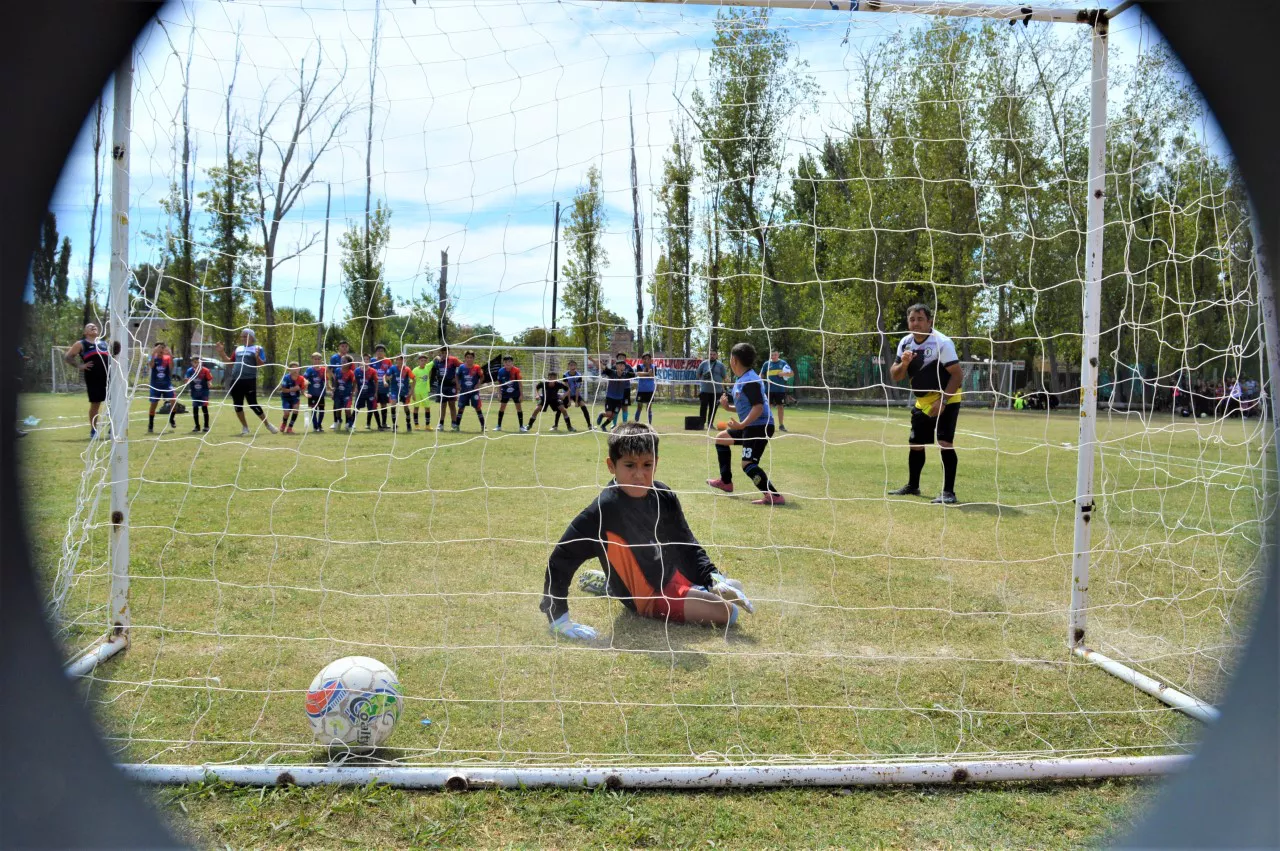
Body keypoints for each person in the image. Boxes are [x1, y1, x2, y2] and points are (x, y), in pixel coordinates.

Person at [540, 422, 755, 639]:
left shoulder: (663, 495)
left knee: (733, 587)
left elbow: (686, 545)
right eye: (630, 465)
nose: (639, 474)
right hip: (648, 596)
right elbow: (560, 560)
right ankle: (616, 587)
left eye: (647, 465)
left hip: (673, 574)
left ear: (656, 463)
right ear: (611, 465)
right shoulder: (603, 511)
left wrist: (713, 579)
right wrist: (559, 619)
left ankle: (612, 585)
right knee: (728, 612)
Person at [887, 303, 962, 505]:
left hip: (947, 398)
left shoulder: (942, 343)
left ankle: (948, 493)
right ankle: (913, 485)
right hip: (922, 402)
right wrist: (904, 363)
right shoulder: (905, 343)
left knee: (945, 443)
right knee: (916, 444)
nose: (916, 323)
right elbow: (895, 375)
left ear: (930, 321)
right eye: (912, 319)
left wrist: (943, 401)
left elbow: (957, 375)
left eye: (920, 319)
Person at [706, 342, 784, 506]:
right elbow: (748, 407)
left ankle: (773, 495)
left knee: (748, 464)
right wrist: (728, 407)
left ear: (734, 360)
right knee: (721, 438)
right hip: (751, 424)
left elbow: (758, 407)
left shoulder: (750, 380)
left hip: (759, 426)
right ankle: (726, 482)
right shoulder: (742, 379)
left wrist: (741, 425)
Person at [216, 329, 279, 436]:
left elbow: (261, 365)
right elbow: (230, 364)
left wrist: (257, 357)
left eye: (245, 336)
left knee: (253, 404)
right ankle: (245, 427)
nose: (243, 338)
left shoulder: (258, 348)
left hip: (249, 380)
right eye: (242, 336)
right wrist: (221, 352)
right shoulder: (238, 349)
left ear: (252, 337)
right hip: (236, 380)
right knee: (238, 405)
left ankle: (268, 425)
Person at [64, 322, 111, 439]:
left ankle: (112, 429)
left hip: (109, 377)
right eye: (90, 326)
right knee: (96, 404)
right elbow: (68, 357)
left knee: (113, 403)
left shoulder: (104, 344)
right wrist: (80, 366)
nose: (93, 327)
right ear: (85, 332)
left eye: (95, 326)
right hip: (93, 378)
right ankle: (94, 430)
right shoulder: (81, 343)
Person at [589, 353, 630, 430]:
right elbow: (601, 366)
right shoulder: (611, 372)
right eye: (620, 365)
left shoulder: (627, 374)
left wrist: (648, 374)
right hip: (610, 397)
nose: (622, 366)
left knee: (613, 415)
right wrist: (592, 360)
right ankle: (602, 414)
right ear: (616, 366)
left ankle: (603, 426)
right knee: (609, 414)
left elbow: (638, 374)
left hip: (619, 399)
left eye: (623, 365)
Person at [146, 342, 177, 434]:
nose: (160, 350)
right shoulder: (152, 357)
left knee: (174, 400)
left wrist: (170, 355)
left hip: (166, 384)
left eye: (162, 348)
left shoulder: (167, 358)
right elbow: (151, 365)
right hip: (155, 385)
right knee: (153, 405)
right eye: (158, 348)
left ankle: (171, 419)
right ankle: (151, 424)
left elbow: (171, 367)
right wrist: (153, 354)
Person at [452, 350, 487, 432]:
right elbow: (456, 376)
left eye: (471, 357)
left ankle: (483, 426)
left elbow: (482, 377)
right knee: (461, 408)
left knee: (478, 408)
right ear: (465, 358)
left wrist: (478, 385)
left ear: (473, 358)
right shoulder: (461, 367)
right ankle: (457, 426)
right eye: (467, 357)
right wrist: (457, 384)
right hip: (464, 391)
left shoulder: (477, 367)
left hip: (474, 392)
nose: (469, 359)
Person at [761, 350, 794, 433]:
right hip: (768, 389)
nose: (773, 356)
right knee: (768, 407)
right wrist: (760, 381)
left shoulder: (783, 363)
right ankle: (767, 425)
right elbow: (761, 375)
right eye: (772, 355)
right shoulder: (766, 364)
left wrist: (783, 374)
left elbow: (791, 374)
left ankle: (781, 425)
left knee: (780, 407)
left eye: (775, 355)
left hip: (780, 389)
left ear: (778, 355)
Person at [494, 355, 526, 432]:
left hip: (515, 392)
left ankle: (521, 426)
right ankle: (498, 426)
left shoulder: (516, 370)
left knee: (519, 408)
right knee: (502, 407)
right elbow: (499, 383)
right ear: (503, 363)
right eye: (505, 362)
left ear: (512, 363)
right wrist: (499, 393)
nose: (507, 363)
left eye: (509, 361)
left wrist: (521, 394)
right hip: (505, 392)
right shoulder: (501, 371)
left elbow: (520, 383)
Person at [696, 350, 727, 429]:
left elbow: (724, 377)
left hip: (716, 391)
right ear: (708, 355)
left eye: (714, 354)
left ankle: (710, 424)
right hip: (704, 390)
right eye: (710, 354)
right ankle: (701, 424)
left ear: (716, 355)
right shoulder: (703, 364)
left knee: (713, 408)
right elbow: (698, 374)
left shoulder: (721, 365)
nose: (712, 356)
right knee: (703, 408)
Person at [432, 347, 461, 432]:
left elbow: (463, 366)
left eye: (446, 352)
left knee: (452, 404)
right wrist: (436, 357)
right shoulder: (437, 361)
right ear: (440, 353)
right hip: (441, 385)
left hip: (451, 386)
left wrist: (456, 379)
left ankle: (454, 423)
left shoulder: (453, 360)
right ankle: (441, 424)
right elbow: (432, 366)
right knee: (442, 405)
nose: (444, 354)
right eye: (443, 352)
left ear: (449, 352)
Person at [559, 359, 593, 431]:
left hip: (575, 394)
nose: (573, 367)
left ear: (576, 367)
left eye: (574, 365)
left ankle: (590, 425)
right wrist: (569, 401)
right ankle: (555, 425)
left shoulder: (579, 375)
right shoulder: (565, 375)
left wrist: (576, 401)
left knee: (583, 406)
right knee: (560, 407)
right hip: (567, 393)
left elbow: (577, 389)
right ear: (568, 366)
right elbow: (567, 389)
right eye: (571, 365)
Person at [183, 358, 213, 432]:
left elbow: (209, 379)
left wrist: (209, 383)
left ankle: (206, 426)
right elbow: (186, 379)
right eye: (194, 362)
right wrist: (187, 380)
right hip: (195, 392)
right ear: (192, 363)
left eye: (197, 362)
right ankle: (197, 426)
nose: (196, 364)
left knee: (204, 408)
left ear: (201, 363)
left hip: (204, 392)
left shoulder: (205, 370)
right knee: (195, 408)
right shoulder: (190, 371)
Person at [353, 354, 381, 430]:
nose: (365, 361)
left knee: (373, 408)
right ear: (361, 361)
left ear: (369, 361)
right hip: (360, 393)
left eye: (367, 359)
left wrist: (375, 393)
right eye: (364, 359)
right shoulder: (357, 370)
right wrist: (355, 390)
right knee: (356, 408)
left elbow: (376, 382)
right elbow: (354, 382)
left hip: (370, 393)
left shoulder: (372, 371)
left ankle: (378, 425)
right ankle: (351, 424)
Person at [302, 352, 328, 433]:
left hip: (321, 394)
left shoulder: (323, 369)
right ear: (312, 360)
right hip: (312, 394)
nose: (317, 360)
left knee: (322, 410)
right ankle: (315, 426)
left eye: (318, 359)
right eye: (315, 359)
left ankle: (319, 425)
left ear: (321, 360)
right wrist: (306, 383)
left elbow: (326, 380)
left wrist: (329, 388)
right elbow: (303, 379)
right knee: (313, 410)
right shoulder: (309, 369)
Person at [370, 344, 394, 429]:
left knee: (384, 404)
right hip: (373, 387)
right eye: (378, 351)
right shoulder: (372, 360)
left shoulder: (388, 361)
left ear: (384, 352)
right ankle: (374, 424)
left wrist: (387, 378)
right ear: (375, 352)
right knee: (373, 405)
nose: (380, 352)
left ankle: (384, 423)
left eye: (382, 351)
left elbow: (391, 372)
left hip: (384, 387)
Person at [332, 355, 356, 432]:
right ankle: (339, 420)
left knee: (347, 410)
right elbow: (335, 381)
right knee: (338, 410)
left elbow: (354, 383)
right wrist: (333, 391)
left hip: (347, 394)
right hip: (338, 394)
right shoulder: (337, 370)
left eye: (344, 361)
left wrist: (352, 392)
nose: (342, 362)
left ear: (349, 363)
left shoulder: (351, 373)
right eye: (341, 361)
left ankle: (350, 424)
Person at [278, 361, 304, 433]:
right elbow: (283, 390)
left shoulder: (301, 378)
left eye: (297, 368)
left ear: (299, 369)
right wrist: (293, 389)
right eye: (293, 369)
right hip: (286, 398)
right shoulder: (286, 378)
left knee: (296, 410)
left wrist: (305, 391)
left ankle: (290, 427)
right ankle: (284, 423)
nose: (295, 370)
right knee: (286, 413)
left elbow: (302, 389)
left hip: (295, 398)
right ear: (289, 370)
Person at [410, 353, 433, 430]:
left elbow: (434, 361)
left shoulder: (427, 367)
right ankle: (416, 425)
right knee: (416, 408)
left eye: (424, 360)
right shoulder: (415, 370)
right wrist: (412, 393)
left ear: (426, 361)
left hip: (425, 392)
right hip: (417, 392)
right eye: (421, 360)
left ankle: (427, 425)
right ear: (418, 361)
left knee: (427, 407)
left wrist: (437, 357)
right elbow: (412, 382)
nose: (423, 362)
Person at [391, 354, 415, 432]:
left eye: (401, 359)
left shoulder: (407, 369)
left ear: (403, 360)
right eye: (397, 359)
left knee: (406, 408)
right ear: (396, 360)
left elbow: (414, 379)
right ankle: (394, 425)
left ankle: (408, 424)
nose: (399, 361)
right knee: (393, 406)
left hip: (404, 392)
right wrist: (385, 380)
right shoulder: (393, 368)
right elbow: (386, 376)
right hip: (395, 391)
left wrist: (411, 391)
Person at [633, 352, 657, 425]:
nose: (646, 360)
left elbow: (653, 376)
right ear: (642, 360)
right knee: (639, 407)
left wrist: (649, 372)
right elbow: (639, 375)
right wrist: (647, 373)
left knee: (649, 408)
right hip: (641, 390)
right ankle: (636, 424)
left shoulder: (654, 367)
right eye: (645, 359)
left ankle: (649, 425)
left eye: (648, 359)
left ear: (650, 360)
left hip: (650, 390)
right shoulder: (639, 366)